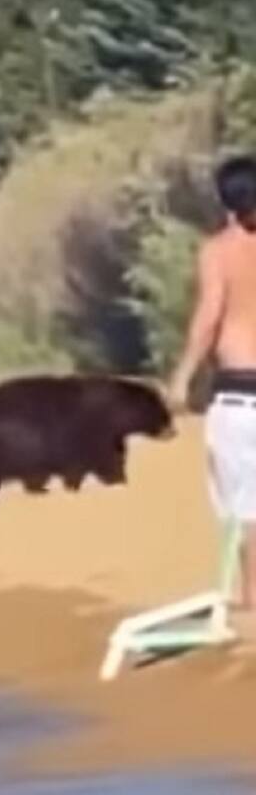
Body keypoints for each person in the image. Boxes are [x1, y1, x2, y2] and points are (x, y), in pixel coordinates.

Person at [169, 155, 256, 612]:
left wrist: (182, 376)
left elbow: (208, 318)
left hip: (240, 391)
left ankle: (253, 594)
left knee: (242, 501)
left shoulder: (220, 251)